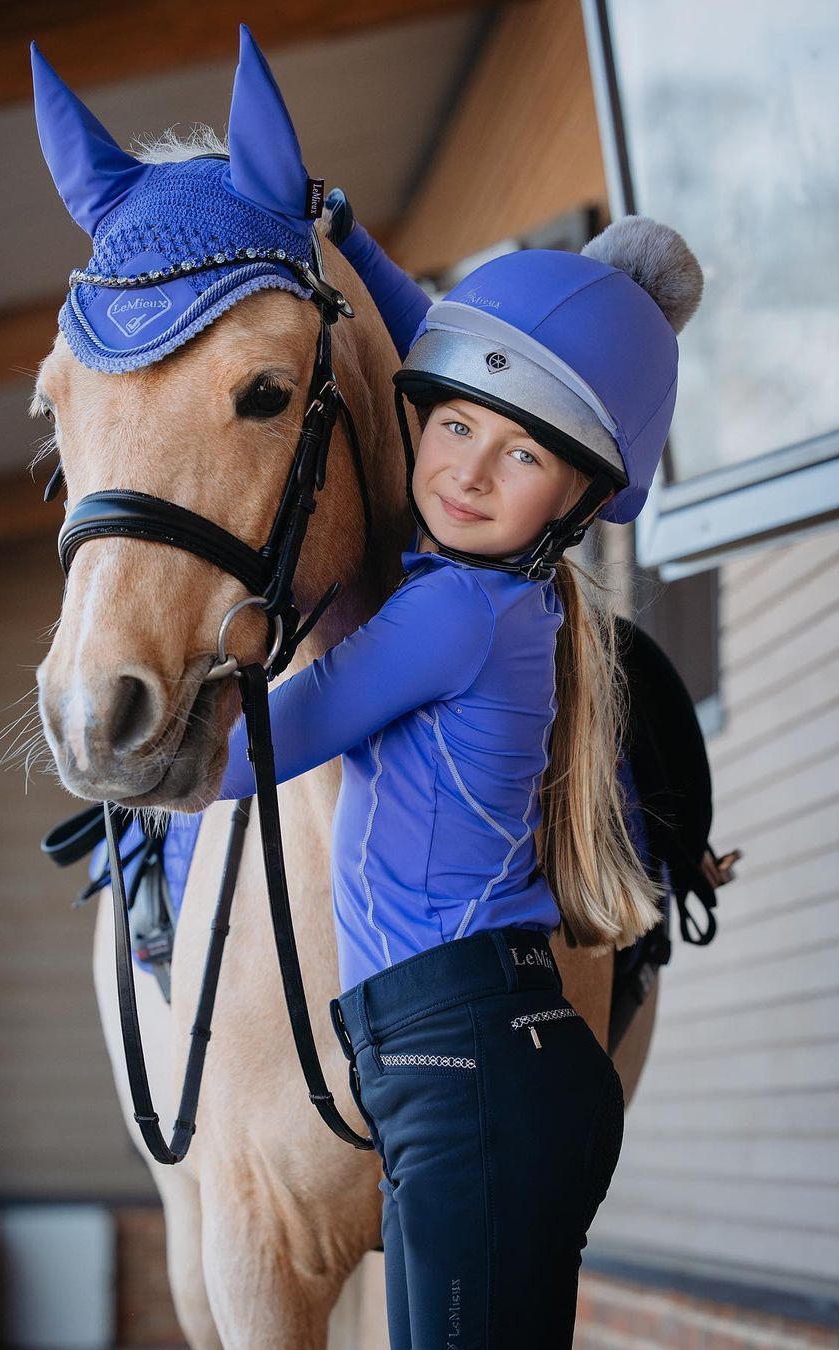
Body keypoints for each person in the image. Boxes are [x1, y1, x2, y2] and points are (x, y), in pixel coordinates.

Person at [214, 212, 704, 1349]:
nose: (469, 470)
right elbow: (437, 335)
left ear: (575, 501)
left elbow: (248, 753)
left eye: (523, 454)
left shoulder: (451, 614)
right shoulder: (504, 604)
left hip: (468, 1074)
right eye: (455, 424)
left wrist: (187, 659)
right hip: (488, 1066)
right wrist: (353, 242)